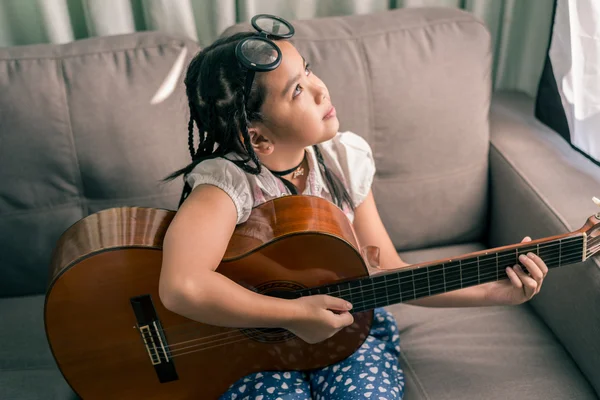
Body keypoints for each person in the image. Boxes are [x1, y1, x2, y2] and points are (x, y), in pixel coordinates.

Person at [159, 14, 549, 400]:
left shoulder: (343, 160)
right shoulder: (229, 185)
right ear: (256, 138)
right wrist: (293, 315)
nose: (319, 89)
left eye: (308, 71)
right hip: (248, 352)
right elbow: (182, 286)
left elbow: (389, 272)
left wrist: (495, 294)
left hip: (347, 334)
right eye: (296, 91)